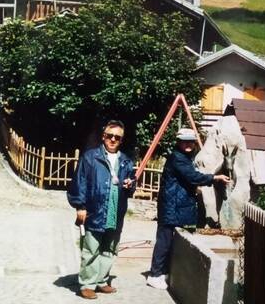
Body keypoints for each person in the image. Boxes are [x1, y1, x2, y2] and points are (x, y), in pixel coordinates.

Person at [146, 128, 230, 290]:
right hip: (172, 205)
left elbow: (186, 179)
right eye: (185, 141)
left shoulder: (184, 158)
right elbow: (193, 177)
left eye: (191, 141)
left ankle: (161, 272)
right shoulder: (178, 158)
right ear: (178, 142)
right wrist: (215, 178)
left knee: (172, 241)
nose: (188, 144)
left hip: (175, 204)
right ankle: (154, 275)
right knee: (164, 241)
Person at [67, 120, 136, 300]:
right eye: (110, 136)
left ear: (121, 140)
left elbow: (130, 186)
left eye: (117, 137)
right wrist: (80, 206)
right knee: (91, 248)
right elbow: (79, 182)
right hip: (94, 210)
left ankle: (101, 280)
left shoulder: (126, 161)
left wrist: (131, 184)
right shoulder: (90, 157)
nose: (113, 139)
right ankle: (87, 284)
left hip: (115, 210)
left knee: (110, 248)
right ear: (103, 136)